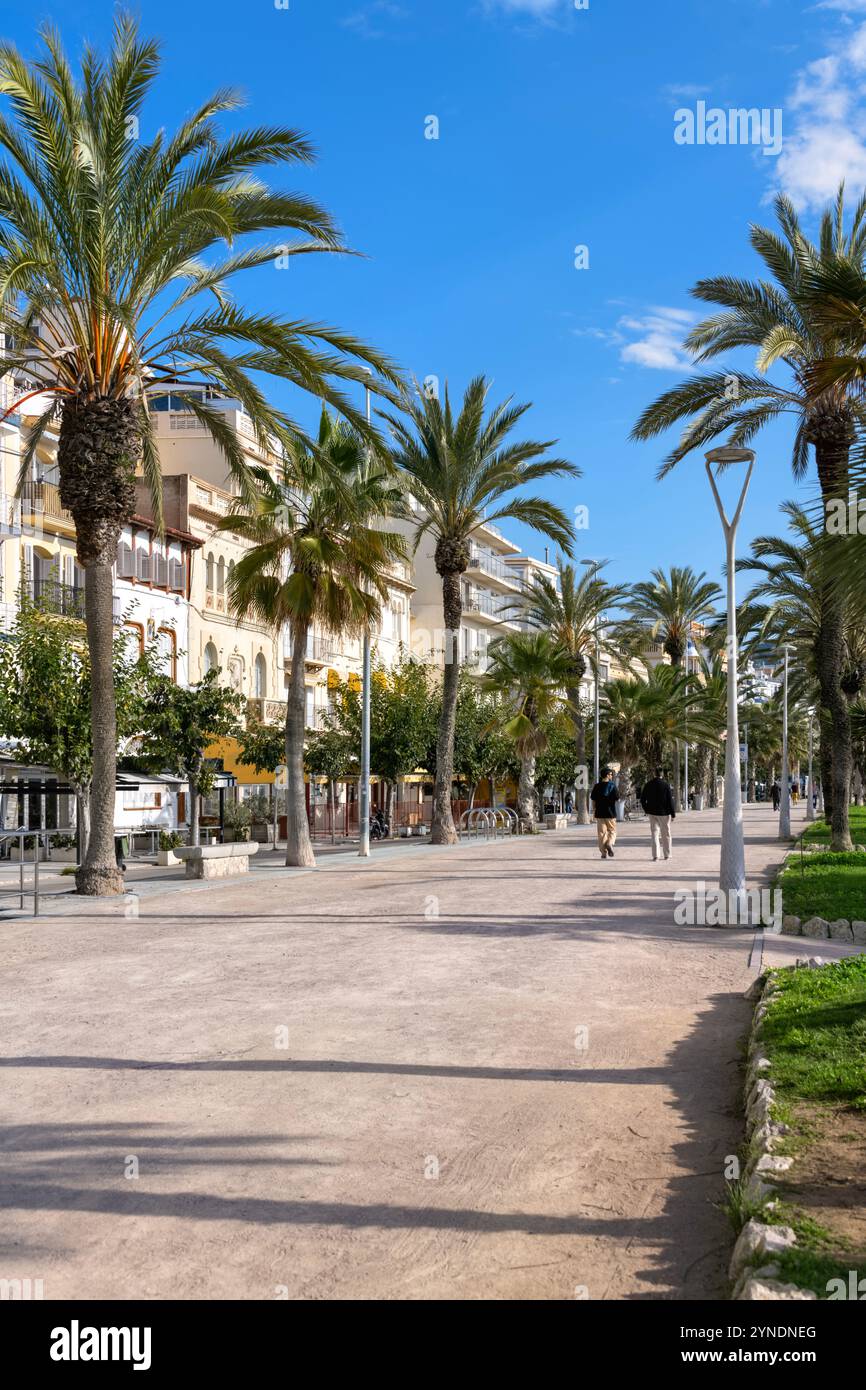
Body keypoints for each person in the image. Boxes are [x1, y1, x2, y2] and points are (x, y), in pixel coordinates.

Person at [639, 767, 676, 861]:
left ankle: (656, 856)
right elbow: (670, 800)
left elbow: (642, 799)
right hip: (664, 813)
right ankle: (667, 855)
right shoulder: (665, 785)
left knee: (654, 834)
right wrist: (673, 813)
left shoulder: (648, 784)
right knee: (666, 834)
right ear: (662, 774)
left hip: (652, 813)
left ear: (654, 774)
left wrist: (646, 809)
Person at [589, 768, 619, 859]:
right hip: (610, 813)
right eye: (610, 774)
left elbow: (593, 799)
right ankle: (609, 843)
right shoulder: (612, 786)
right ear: (607, 775)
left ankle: (603, 853)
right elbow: (617, 798)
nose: (611, 776)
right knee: (612, 830)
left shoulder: (597, 786)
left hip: (600, 812)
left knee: (601, 833)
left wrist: (594, 810)